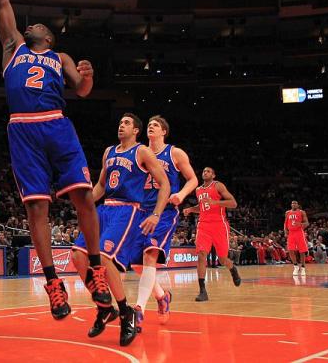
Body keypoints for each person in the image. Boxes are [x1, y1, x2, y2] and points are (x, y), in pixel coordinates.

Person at [0, 0, 110, 319]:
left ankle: (96, 270)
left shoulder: (61, 58)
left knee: (85, 198)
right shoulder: (13, 48)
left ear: (50, 38)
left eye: (39, 26)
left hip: (57, 123)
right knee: (36, 208)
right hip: (23, 129)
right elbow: (4, 2)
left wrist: (87, 78)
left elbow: (83, 91)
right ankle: (53, 284)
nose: (33, 25)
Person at [71, 114, 170, 346]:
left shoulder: (142, 152)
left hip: (128, 211)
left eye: (126, 123)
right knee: (77, 256)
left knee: (105, 259)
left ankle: (126, 314)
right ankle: (105, 307)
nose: (121, 126)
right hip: (104, 210)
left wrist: (156, 214)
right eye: (119, 123)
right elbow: (102, 185)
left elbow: (164, 183)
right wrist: (85, 205)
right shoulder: (109, 152)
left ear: (136, 130)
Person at [141, 115, 198, 324]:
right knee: (138, 264)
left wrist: (181, 195)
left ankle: (138, 311)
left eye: (155, 125)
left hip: (164, 211)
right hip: (140, 210)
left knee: (149, 258)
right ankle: (161, 297)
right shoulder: (139, 153)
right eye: (148, 125)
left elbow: (193, 179)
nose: (150, 127)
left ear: (164, 131)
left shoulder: (174, 153)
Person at [183, 167, 242, 302]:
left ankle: (232, 269)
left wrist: (215, 202)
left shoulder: (218, 185)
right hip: (203, 225)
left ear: (213, 175)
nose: (205, 172)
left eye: (208, 171)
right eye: (204, 171)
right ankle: (202, 291)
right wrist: (191, 209)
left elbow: (233, 203)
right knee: (201, 255)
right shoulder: (198, 190)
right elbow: (203, 207)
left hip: (219, 225)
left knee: (222, 259)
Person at [284, 200, 309, 276]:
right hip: (291, 233)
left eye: (295, 203)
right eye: (292, 203)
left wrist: (300, 224)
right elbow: (285, 224)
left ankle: (303, 267)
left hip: (299, 232)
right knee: (290, 250)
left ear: (298, 205)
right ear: (291, 205)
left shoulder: (302, 212)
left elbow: (307, 223)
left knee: (302, 251)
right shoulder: (287, 213)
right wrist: (285, 232)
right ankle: (295, 266)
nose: (293, 204)